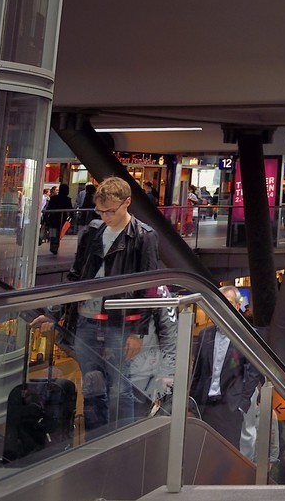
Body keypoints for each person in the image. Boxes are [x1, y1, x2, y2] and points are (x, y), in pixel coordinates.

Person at [37, 176, 174, 429]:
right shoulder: (92, 232)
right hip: (87, 322)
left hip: (121, 326)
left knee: (120, 388)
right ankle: (95, 444)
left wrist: (138, 333)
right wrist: (55, 313)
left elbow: (149, 287)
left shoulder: (144, 236)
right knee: (92, 387)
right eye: (101, 211)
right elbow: (76, 278)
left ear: (127, 203)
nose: (106, 215)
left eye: (111, 210)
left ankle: (123, 445)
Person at [191, 286, 262, 447]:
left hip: (230, 406)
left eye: (228, 302)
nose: (223, 306)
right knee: (203, 450)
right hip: (205, 405)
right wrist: (192, 403)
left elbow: (253, 374)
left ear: (237, 307)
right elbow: (198, 372)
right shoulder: (205, 334)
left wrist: (242, 405)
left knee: (228, 453)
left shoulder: (247, 336)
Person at [42, 184, 73, 255]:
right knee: (58, 231)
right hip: (62, 217)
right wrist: (70, 218)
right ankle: (55, 246)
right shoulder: (67, 199)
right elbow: (70, 209)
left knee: (53, 230)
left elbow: (49, 208)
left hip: (53, 217)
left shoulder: (54, 198)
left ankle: (53, 245)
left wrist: (46, 217)